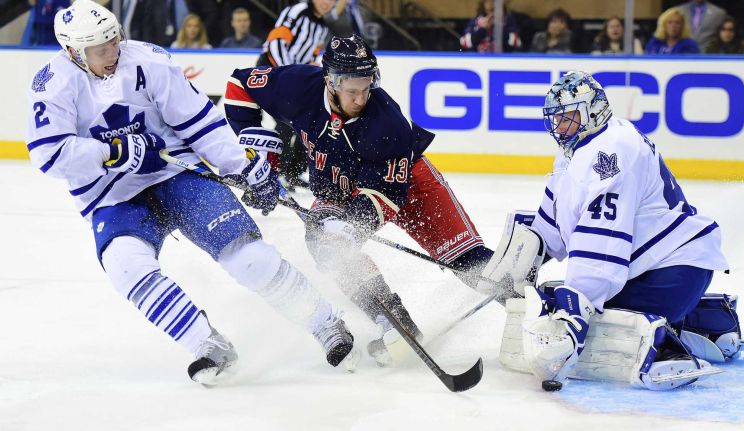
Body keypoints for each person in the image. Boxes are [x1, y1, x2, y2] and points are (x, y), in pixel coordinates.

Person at [26, 0, 358, 386]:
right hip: (112, 195)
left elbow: (200, 123)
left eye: (114, 41)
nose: (112, 53)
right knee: (125, 266)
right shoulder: (53, 84)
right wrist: (111, 152)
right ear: (73, 52)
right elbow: (49, 154)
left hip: (174, 172)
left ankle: (325, 322)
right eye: (100, 50)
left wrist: (244, 166)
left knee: (245, 256)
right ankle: (206, 343)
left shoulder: (148, 60)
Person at [223, 35, 503, 366]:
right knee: (325, 246)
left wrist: (352, 227)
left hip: (411, 186)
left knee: (465, 260)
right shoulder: (298, 86)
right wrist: (259, 150)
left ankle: (534, 304)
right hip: (337, 189)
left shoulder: (388, 123)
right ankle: (395, 322)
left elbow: (387, 196)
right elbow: (239, 84)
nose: (360, 97)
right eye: (351, 88)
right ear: (329, 80)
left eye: (366, 86)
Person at [492, 71, 744, 390]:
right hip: (672, 267)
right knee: (561, 290)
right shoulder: (585, 144)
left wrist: (573, 318)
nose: (560, 127)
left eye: (569, 117)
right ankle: (708, 318)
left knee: (567, 300)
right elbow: (554, 224)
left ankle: (667, 345)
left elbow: (601, 250)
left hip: (672, 273)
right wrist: (521, 260)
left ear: (593, 112)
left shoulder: (608, 153)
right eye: (557, 119)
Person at [258, 0, 335, 191]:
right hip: (274, 70)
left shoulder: (322, 26)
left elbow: (313, 53)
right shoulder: (297, 11)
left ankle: (292, 172)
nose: (326, 2)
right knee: (285, 123)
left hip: (295, 77)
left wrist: (310, 70)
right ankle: (275, 172)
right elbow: (275, 42)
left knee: (307, 122)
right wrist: (287, 72)